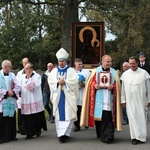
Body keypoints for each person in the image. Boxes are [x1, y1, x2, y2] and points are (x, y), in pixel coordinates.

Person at [80, 55, 122, 144]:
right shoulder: (95, 71)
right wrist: (95, 86)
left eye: (110, 61)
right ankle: (101, 134)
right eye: (108, 61)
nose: (109, 63)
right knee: (99, 118)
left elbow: (117, 85)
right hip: (98, 99)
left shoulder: (114, 72)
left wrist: (113, 87)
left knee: (108, 118)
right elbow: (90, 84)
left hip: (109, 99)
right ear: (102, 62)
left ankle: (109, 136)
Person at [48, 48, 78, 143]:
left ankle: (66, 134)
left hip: (68, 96)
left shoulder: (71, 71)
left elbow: (74, 81)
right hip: (58, 96)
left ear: (66, 61)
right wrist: (57, 82)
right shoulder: (53, 71)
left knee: (68, 114)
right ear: (58, 61)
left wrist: (65, 82)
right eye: (59, 61)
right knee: (58, 115)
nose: (61, 63)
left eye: (63, 61)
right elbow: (51, 82)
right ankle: (60, 134)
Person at [120, 56, 150, 145]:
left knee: (142, 118)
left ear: (137, 63)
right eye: (130, 63)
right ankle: (134, 137)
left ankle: (142, 136)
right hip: (130, 100)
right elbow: (123, 89)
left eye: (133, 63)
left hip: (141, 100)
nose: (132, 65)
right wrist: (123, 100)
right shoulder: (125, 74)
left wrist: (149, 99)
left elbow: (148, 88)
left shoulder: (144, 73)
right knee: (132, 118)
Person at [19, 62, 47, 140]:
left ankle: (37, 130)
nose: (26, 70)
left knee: (35, 117)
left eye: (28, 68)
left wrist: (29, 78)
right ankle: (29, 133)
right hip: (26, 100)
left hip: (35, 99)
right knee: (27, 117)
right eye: (25, 69)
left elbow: (32, 87)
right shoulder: (21, 77)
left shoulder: (37, 76)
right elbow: (19, 86)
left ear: (32, 69)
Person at [0, 60, 20, 143]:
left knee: (11, 118)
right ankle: (2, 137)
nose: (11, 68)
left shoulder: (12, 75)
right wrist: (6, 93)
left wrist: (13, 92)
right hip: (3, 100)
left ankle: (11, 135)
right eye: (10, 66)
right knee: (2, 119)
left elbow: (17, 85)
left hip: (11, 100)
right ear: (5, 67)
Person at [73, 58, 90, 132]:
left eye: (81, 64)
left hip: (84, 92)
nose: (80, 66)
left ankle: (86, 122)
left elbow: (90, 81)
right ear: (75, 64)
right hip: (76, 94)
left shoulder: (87, 72)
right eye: (78, 64)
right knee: (76, 110)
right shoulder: (72, 72)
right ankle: (77, 125)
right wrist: (77, 85)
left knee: (84, 109)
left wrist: (85, 84)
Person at [16, 57, 29, 134]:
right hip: (21, 95)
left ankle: (27, 128)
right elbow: (17, 83)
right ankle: (20, 128)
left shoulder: (32, 72)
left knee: (27, 113)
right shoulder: (19, 73)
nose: (25, 64)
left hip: (28, 96)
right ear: (22, 63)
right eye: (24, 63)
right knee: (20, 112)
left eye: (26, 62)